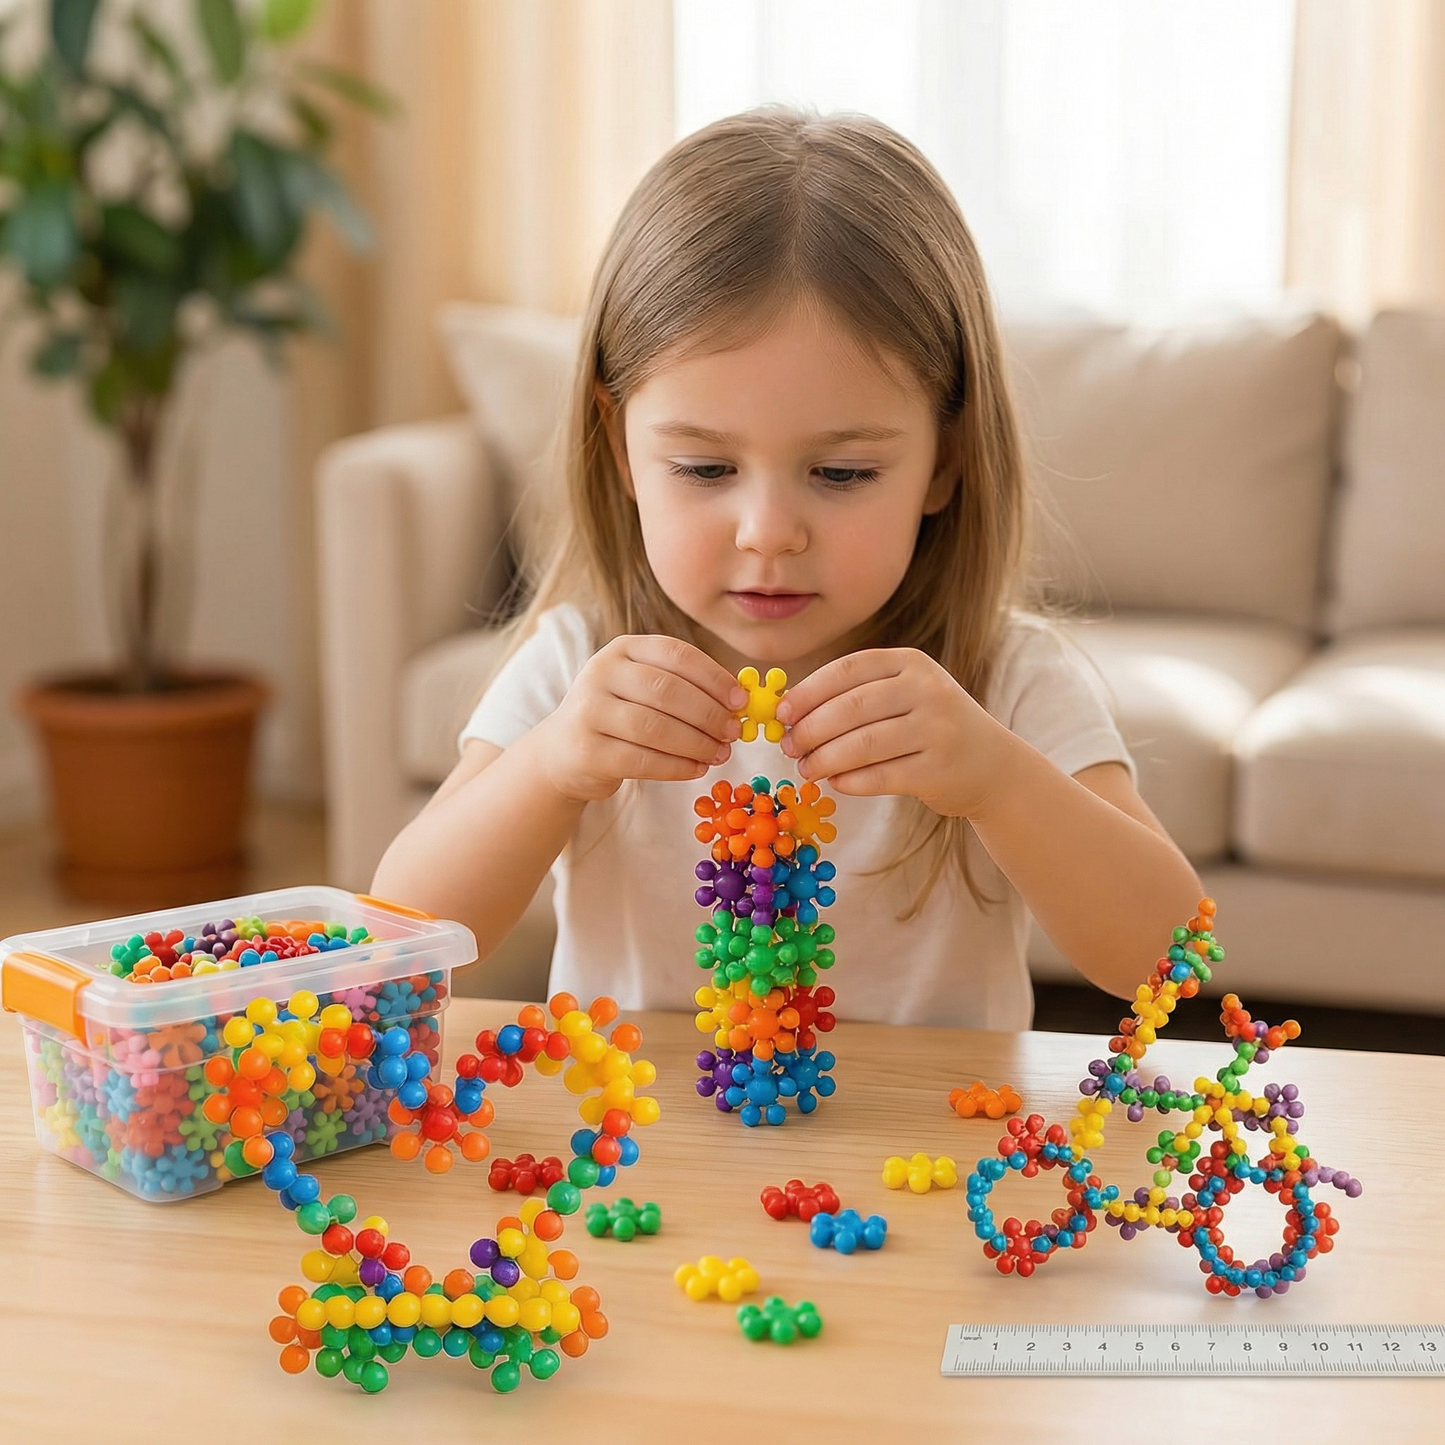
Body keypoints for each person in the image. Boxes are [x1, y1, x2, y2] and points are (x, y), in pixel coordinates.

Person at [372, 107, 1201, 1030]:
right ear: (619, 449)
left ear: (947, 461)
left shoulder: (1002, 681)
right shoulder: (580, 667)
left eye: (841, 473)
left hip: (931, 1162)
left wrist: (998, 781)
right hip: (640, 1154)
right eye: (704, 469)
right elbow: (404, 931)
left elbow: (1169, 961)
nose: (768, 533)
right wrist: (550, 766)